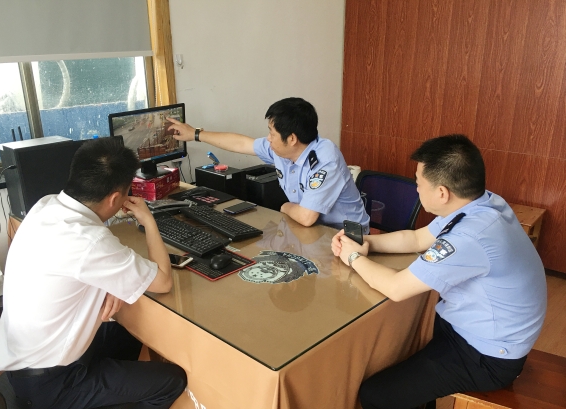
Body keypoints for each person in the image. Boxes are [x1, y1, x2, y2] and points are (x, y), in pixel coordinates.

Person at [331, 134, 547, 409]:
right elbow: (416, 239)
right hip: (478, 328)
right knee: (395, 332)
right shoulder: (481, 204)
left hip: (487, 356)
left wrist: (352, 257)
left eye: (418, 183)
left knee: (375, 394)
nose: (417, 190)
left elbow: (397, 288)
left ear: (442, 193)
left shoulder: (470, 236)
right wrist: (366, 243)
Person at [0, 138, 187, 409]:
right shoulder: (90, 241)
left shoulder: (46, 205)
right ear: (115, 198)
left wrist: (108, 284)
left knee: (131, 329)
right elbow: (163, 281)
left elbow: (75, 265)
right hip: (54, 383)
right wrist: (148, 220)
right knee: (173, 380)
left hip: (27, 362)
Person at [167, 97, 369, 230]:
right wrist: (195, 134)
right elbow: (240, 143)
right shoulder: (282, 149)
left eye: (272, 133)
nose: (268, 139)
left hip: (344, 235)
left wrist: (285, 206)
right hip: (309, 230)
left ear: (292, 139)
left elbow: (307, 217)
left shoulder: (325, 159)